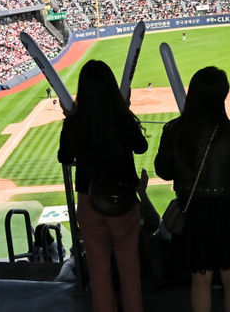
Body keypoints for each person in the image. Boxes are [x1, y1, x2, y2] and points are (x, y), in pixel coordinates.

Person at [155, 66, 230, 312]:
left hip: (193, 214)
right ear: (223, 95)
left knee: (200, 282)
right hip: (227, 212)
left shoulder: (174, 129)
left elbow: (164, 171)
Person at [57, 60, 147, 312]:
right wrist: (126, 112)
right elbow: (141, 146)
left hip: (89, 200)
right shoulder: (121, 117)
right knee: (129, 269)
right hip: (122, 199)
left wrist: (71, 123)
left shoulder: (75, 121)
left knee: (99, 272)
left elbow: (64, 157)